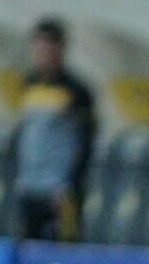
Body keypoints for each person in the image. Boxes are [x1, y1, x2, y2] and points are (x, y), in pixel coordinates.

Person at [13, 18, 95, 243]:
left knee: (64, 247)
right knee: (28, 246)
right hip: (30, 186)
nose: (43, 54)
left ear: (61, 49)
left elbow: (86, 141)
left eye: (49, 48)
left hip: (61, 192)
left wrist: (70, 184)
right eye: (39, 48)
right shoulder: (29, 84)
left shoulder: (76, 91)